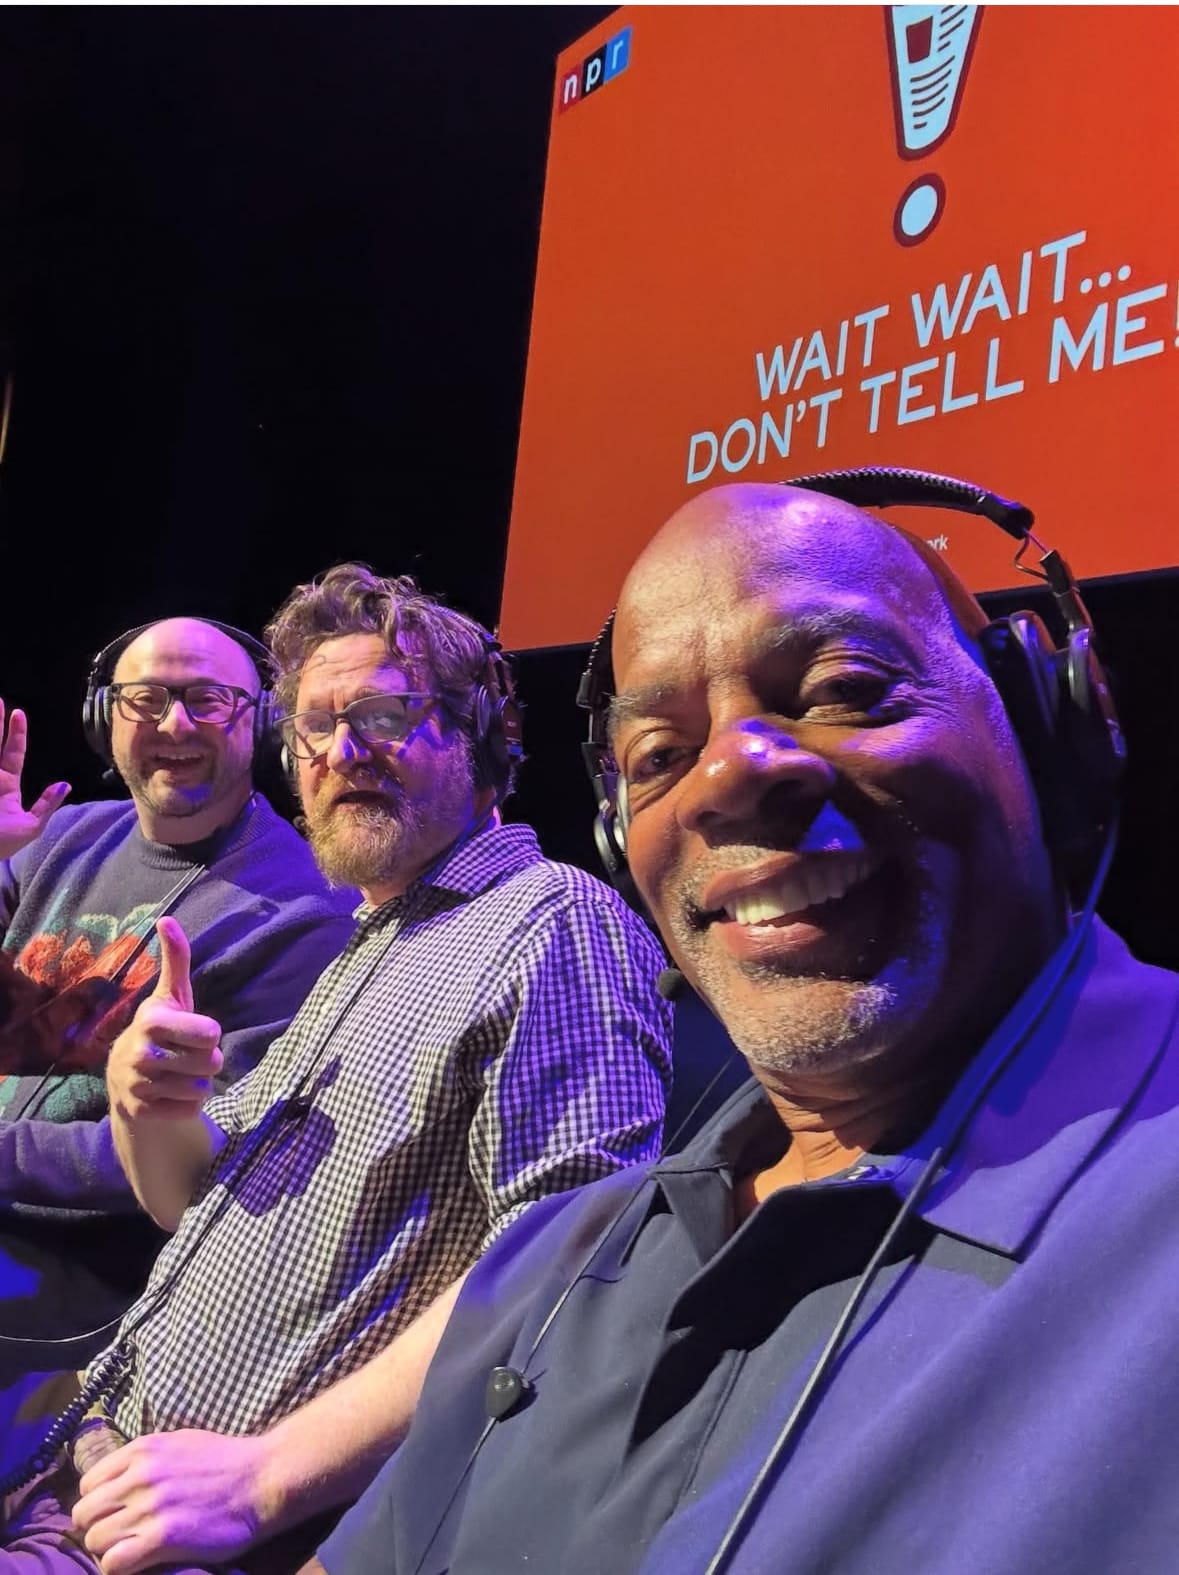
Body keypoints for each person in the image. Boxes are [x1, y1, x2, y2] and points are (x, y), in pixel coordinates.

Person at [311, 479, 1179, 1575]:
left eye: (842, 688)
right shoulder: (547, 1264)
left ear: (1050, 724)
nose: (726, 776)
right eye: (659, 755)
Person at [16, 566, 672, 1574]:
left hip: (210, 1529)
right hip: (93, 1461)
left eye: (383, 714)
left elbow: (570, 1265)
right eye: (314, 727)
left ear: (478, 735)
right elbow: (182, 1197)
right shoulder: (372, 942)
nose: (340, 749)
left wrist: (264, 1478)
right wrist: (151, 1103)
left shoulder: (553, 921)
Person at [0, 619, 356, 1372]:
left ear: (261, 721)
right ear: (105, 717)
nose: (174, 724)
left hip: (83, 1285)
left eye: (207, 699)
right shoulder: (58, 840)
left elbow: (205, 1154)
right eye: (146, 699)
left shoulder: (304, 913)